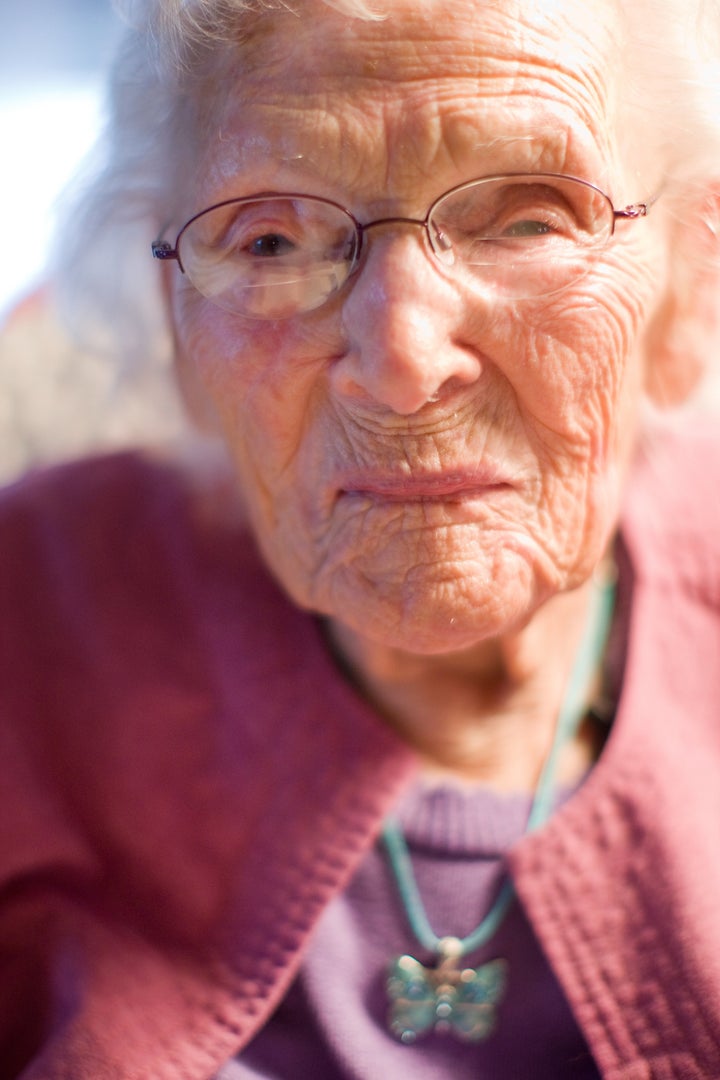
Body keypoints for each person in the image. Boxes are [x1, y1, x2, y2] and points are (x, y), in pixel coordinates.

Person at [2, 0, 720, 1076]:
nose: (399, 355)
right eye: (273, 238)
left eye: (526, 218)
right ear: (179, 329)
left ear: (690, 292)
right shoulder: (32, 615)